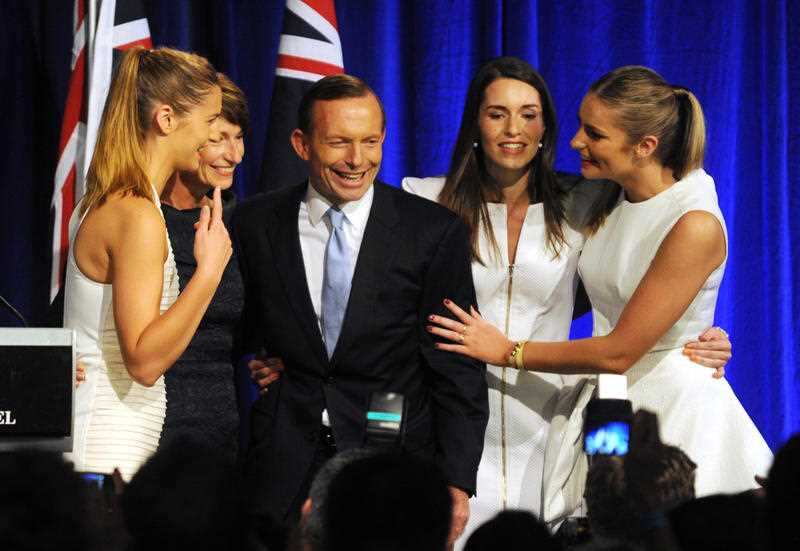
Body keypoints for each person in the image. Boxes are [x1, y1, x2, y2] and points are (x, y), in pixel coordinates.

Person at [399, 57, 732, 538]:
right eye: (496, 113)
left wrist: (698, 336)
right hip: (456, 419)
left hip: (554, 422)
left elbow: (631, 333)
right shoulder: (426, 203)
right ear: (473, 119)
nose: (578, 141)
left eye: (530, 114)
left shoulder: (585, 202)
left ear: (645, 145)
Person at [233, 74, 488, 545]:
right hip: (284, 462)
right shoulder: (253, 223)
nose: (357, 160)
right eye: (339, 142)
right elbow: (236, 331)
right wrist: (268, 359)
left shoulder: (432, 231)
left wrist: (457, 481)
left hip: (391, 465)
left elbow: (456, 365)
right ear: (301, 143)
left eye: (371, 141)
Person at [63, 46, 231, 481]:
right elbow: (142, 360)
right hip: (103, 461)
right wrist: (209, 272)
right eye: (210, 121)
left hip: (111, 457)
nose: (215, 138)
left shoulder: (116, 202)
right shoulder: (135, 214)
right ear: (167, 119)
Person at [157, 73, 248, 460]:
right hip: (144, 427)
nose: (235, 154)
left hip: (218, 432)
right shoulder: (139, 219)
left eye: (239, 136)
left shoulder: (242, 222)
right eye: (217, 139)